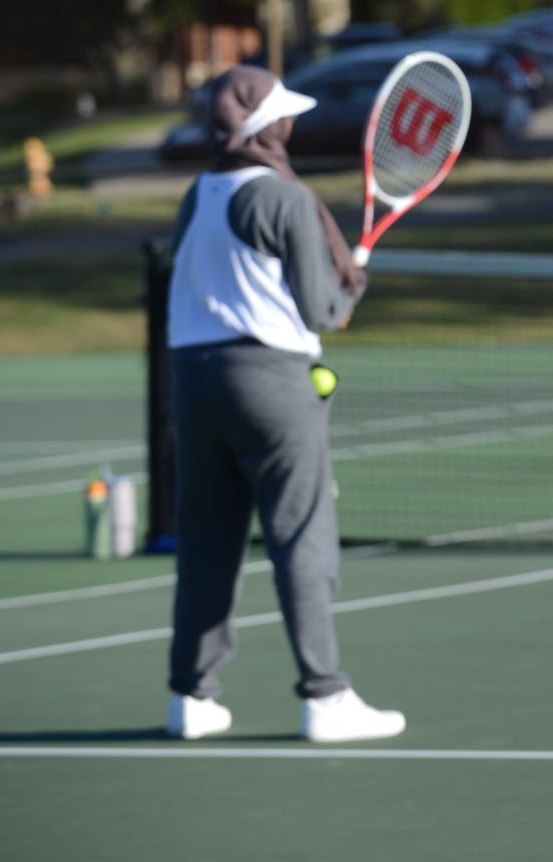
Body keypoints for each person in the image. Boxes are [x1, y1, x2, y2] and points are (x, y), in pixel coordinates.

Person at [163, 66, 405, 743]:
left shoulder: (197, 194)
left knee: (206, 544)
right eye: (283, 116)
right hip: (270, 379)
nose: (290, 125)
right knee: (302, 537)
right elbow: (320, 308)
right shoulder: (286, 199)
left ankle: (191, 696)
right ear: (266, 128)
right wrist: (349, 291)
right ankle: (325, 697)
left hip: (193, 381)